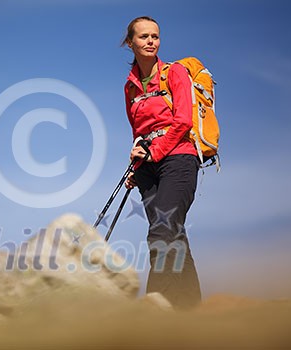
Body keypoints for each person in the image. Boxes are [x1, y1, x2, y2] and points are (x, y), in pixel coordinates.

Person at [122, 16, 202, 309]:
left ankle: (155, 308)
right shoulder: (129, 88)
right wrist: (136, 166)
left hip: (179, 159)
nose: (150, 41)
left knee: (162, 232)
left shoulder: (175, 73)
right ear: (130, 42)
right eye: (143, 37)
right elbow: (138, 133)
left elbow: (182, 121)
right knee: (173, 235)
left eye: (155, 36)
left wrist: (156, 152)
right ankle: (191, 310)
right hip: (148, 168)